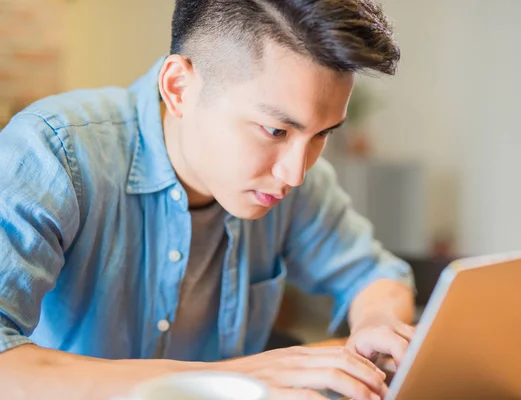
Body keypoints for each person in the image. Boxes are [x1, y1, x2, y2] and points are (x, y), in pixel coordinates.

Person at [0, 1, 416, 399]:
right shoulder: (52, 152)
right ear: (179, 88)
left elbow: (377, 277)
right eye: (275, 131)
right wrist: (227, 379)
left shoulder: (295, 180)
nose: (295, 173)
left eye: (323, 133)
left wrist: (377, 323)